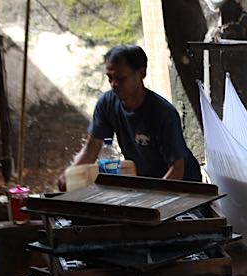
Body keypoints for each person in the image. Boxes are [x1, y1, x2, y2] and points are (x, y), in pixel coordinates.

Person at [58, 45, 201, 190]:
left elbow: (177, 169)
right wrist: (69, 176)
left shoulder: (163, 113)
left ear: (141, 73)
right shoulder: (107, 104)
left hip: (183, 187)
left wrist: (154, 200)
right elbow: (91, 150)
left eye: (121, 78)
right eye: (110, 78)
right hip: (145, 184)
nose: (114, 84)